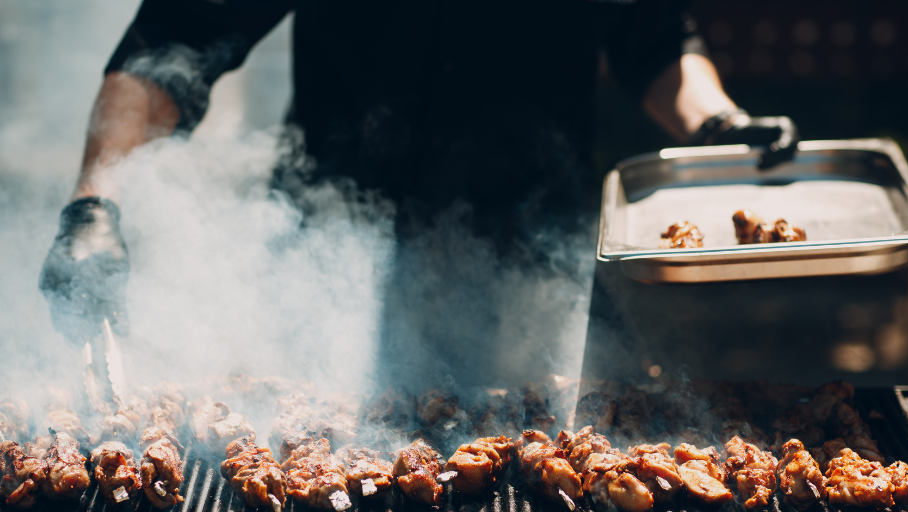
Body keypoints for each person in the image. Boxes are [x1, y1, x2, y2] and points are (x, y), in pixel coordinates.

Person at [39, 0, 797, 383]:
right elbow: (176, 43)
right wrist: (94, 202)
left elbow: (654, 40)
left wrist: (714, 122)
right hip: (328, 267)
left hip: (528, 275)